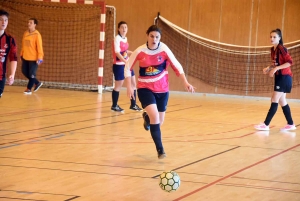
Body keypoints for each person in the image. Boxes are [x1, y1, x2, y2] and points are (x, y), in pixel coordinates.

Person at [125, 25, 195, 159]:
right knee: (155, 117)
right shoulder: (140, 51)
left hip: (162, 89)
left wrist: (185, 82)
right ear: (147, 36)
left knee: (159, 121)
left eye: (157, 37)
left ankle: (146, 118)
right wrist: (129, 86)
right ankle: (160, 150)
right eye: (152, 36)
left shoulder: (164, 50)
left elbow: (177, 66)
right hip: (145, 89)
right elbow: (128, 67)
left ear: (160, 38)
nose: (154, 39)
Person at [255, 28, 296, 131]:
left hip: (284, 77)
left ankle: (266, 124)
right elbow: (275, 63)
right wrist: (269, 68)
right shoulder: (272, 49)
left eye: (274, 37)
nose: (272, 38)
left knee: (274, 99)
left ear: (279, 38)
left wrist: (276, 68)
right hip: (280, 77)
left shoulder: (282, 48)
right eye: (271, 37)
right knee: (282, 101)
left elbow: (290, 62)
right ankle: (291, 124)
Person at [111, 21, 142, 112]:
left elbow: (125, 51)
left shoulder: (125, 38)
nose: (124, 29)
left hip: (127, 65)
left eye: (125, 27)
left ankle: (133, 105)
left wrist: (133, 53)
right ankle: (114, 105)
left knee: (133, 84)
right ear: (118, 29)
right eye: (122, 27)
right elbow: (117, 53)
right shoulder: (117, 39)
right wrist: (125, 61)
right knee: (118, 86)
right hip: (119, 65)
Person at [20, 18, 44, 95]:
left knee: (32, 74)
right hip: (25, 57)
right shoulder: (25, 33)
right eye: (28, 22)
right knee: (24, 71)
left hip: (34, 58)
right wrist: (21, 54)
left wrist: (40, 58)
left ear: (35, 25)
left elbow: (40, 47)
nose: (29, 24)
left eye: (31, 22)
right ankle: (37, 83)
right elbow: (23, 45)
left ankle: (28, 89)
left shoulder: (37, 35)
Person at [0, 9, 17, 98]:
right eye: (1, 19)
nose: (4, 22)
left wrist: (12, 75)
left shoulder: (10, 39)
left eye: (6, 20)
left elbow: (13, 58)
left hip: (1, 77)